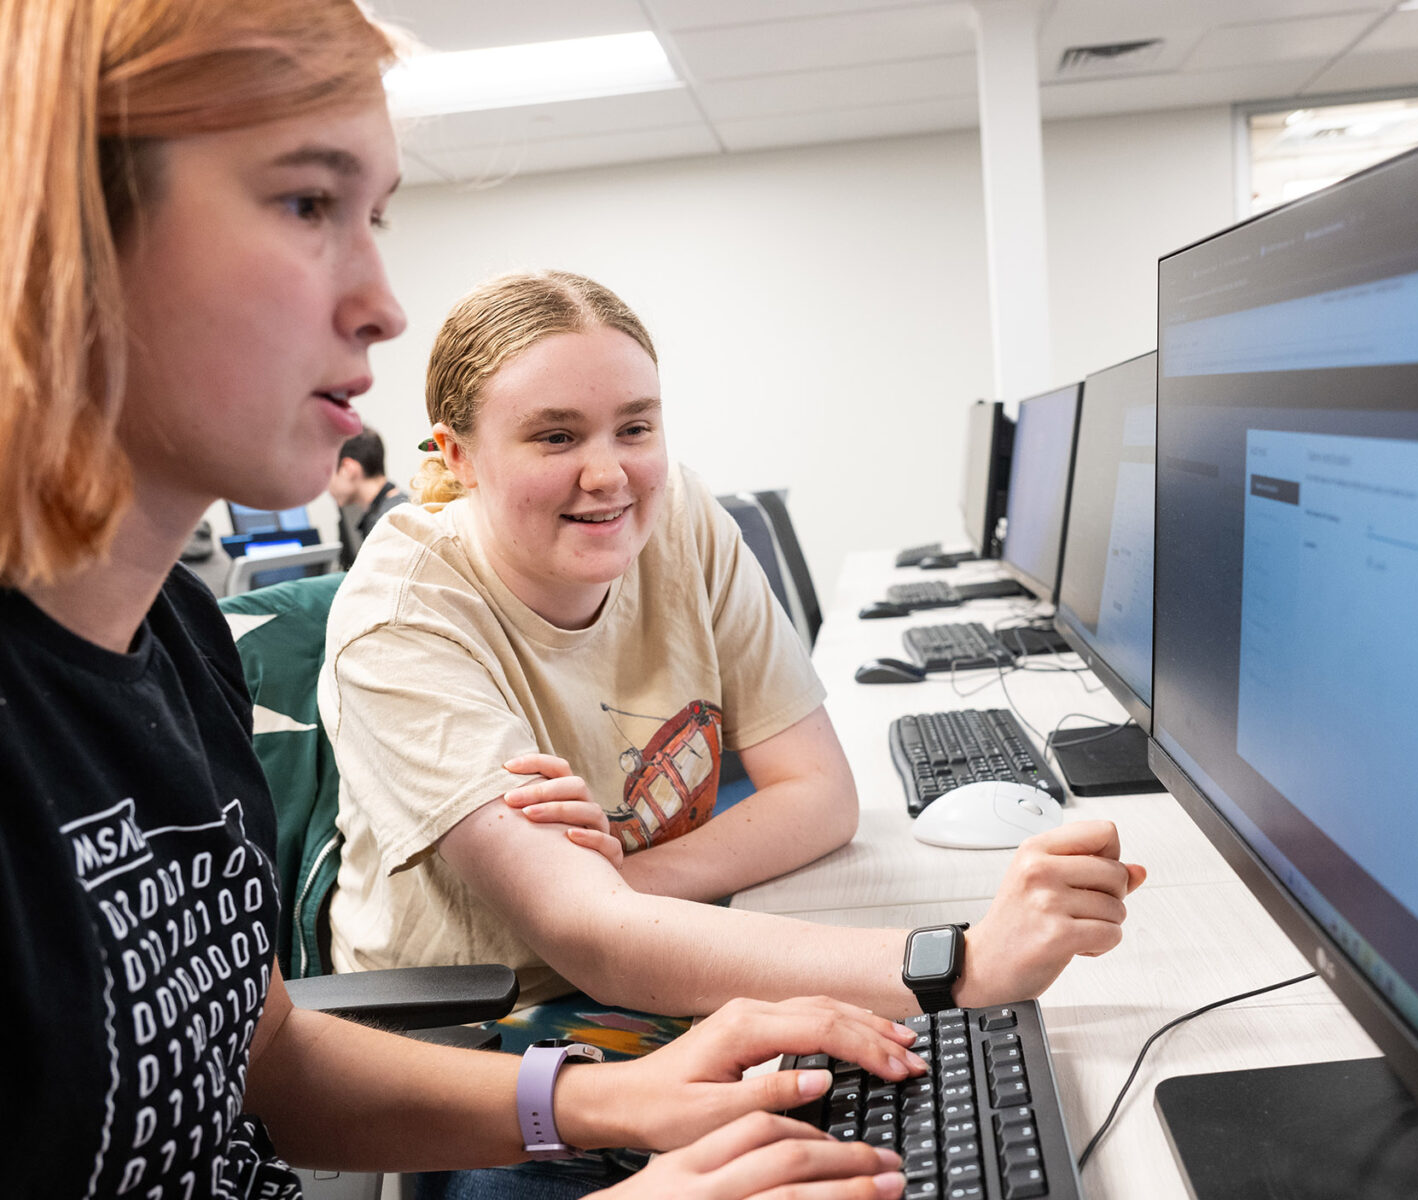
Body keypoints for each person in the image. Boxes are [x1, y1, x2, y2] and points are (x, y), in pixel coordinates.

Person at [0, 1, 927, 1196]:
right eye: (306, 204)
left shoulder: (171, 637)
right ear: (53, 229)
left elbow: (262, 1051)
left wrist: (599, 1099)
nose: (385, 303)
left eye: (372, 215)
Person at [321, 274, 1148, 1026]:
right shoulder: (402, 620)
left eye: (635, 426)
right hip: (487, 1025)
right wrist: (959, 967)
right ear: (458, 456)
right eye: (555, 437)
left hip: (665, 948)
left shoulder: (677, 517)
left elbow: (821, 795)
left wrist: (618, 887)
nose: (609, 474)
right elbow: (591, 941)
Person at [329, 424, 409, 566]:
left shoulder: (386, 525)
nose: (326, 485)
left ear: (348, 469)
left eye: (328, 472)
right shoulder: (402, 505)